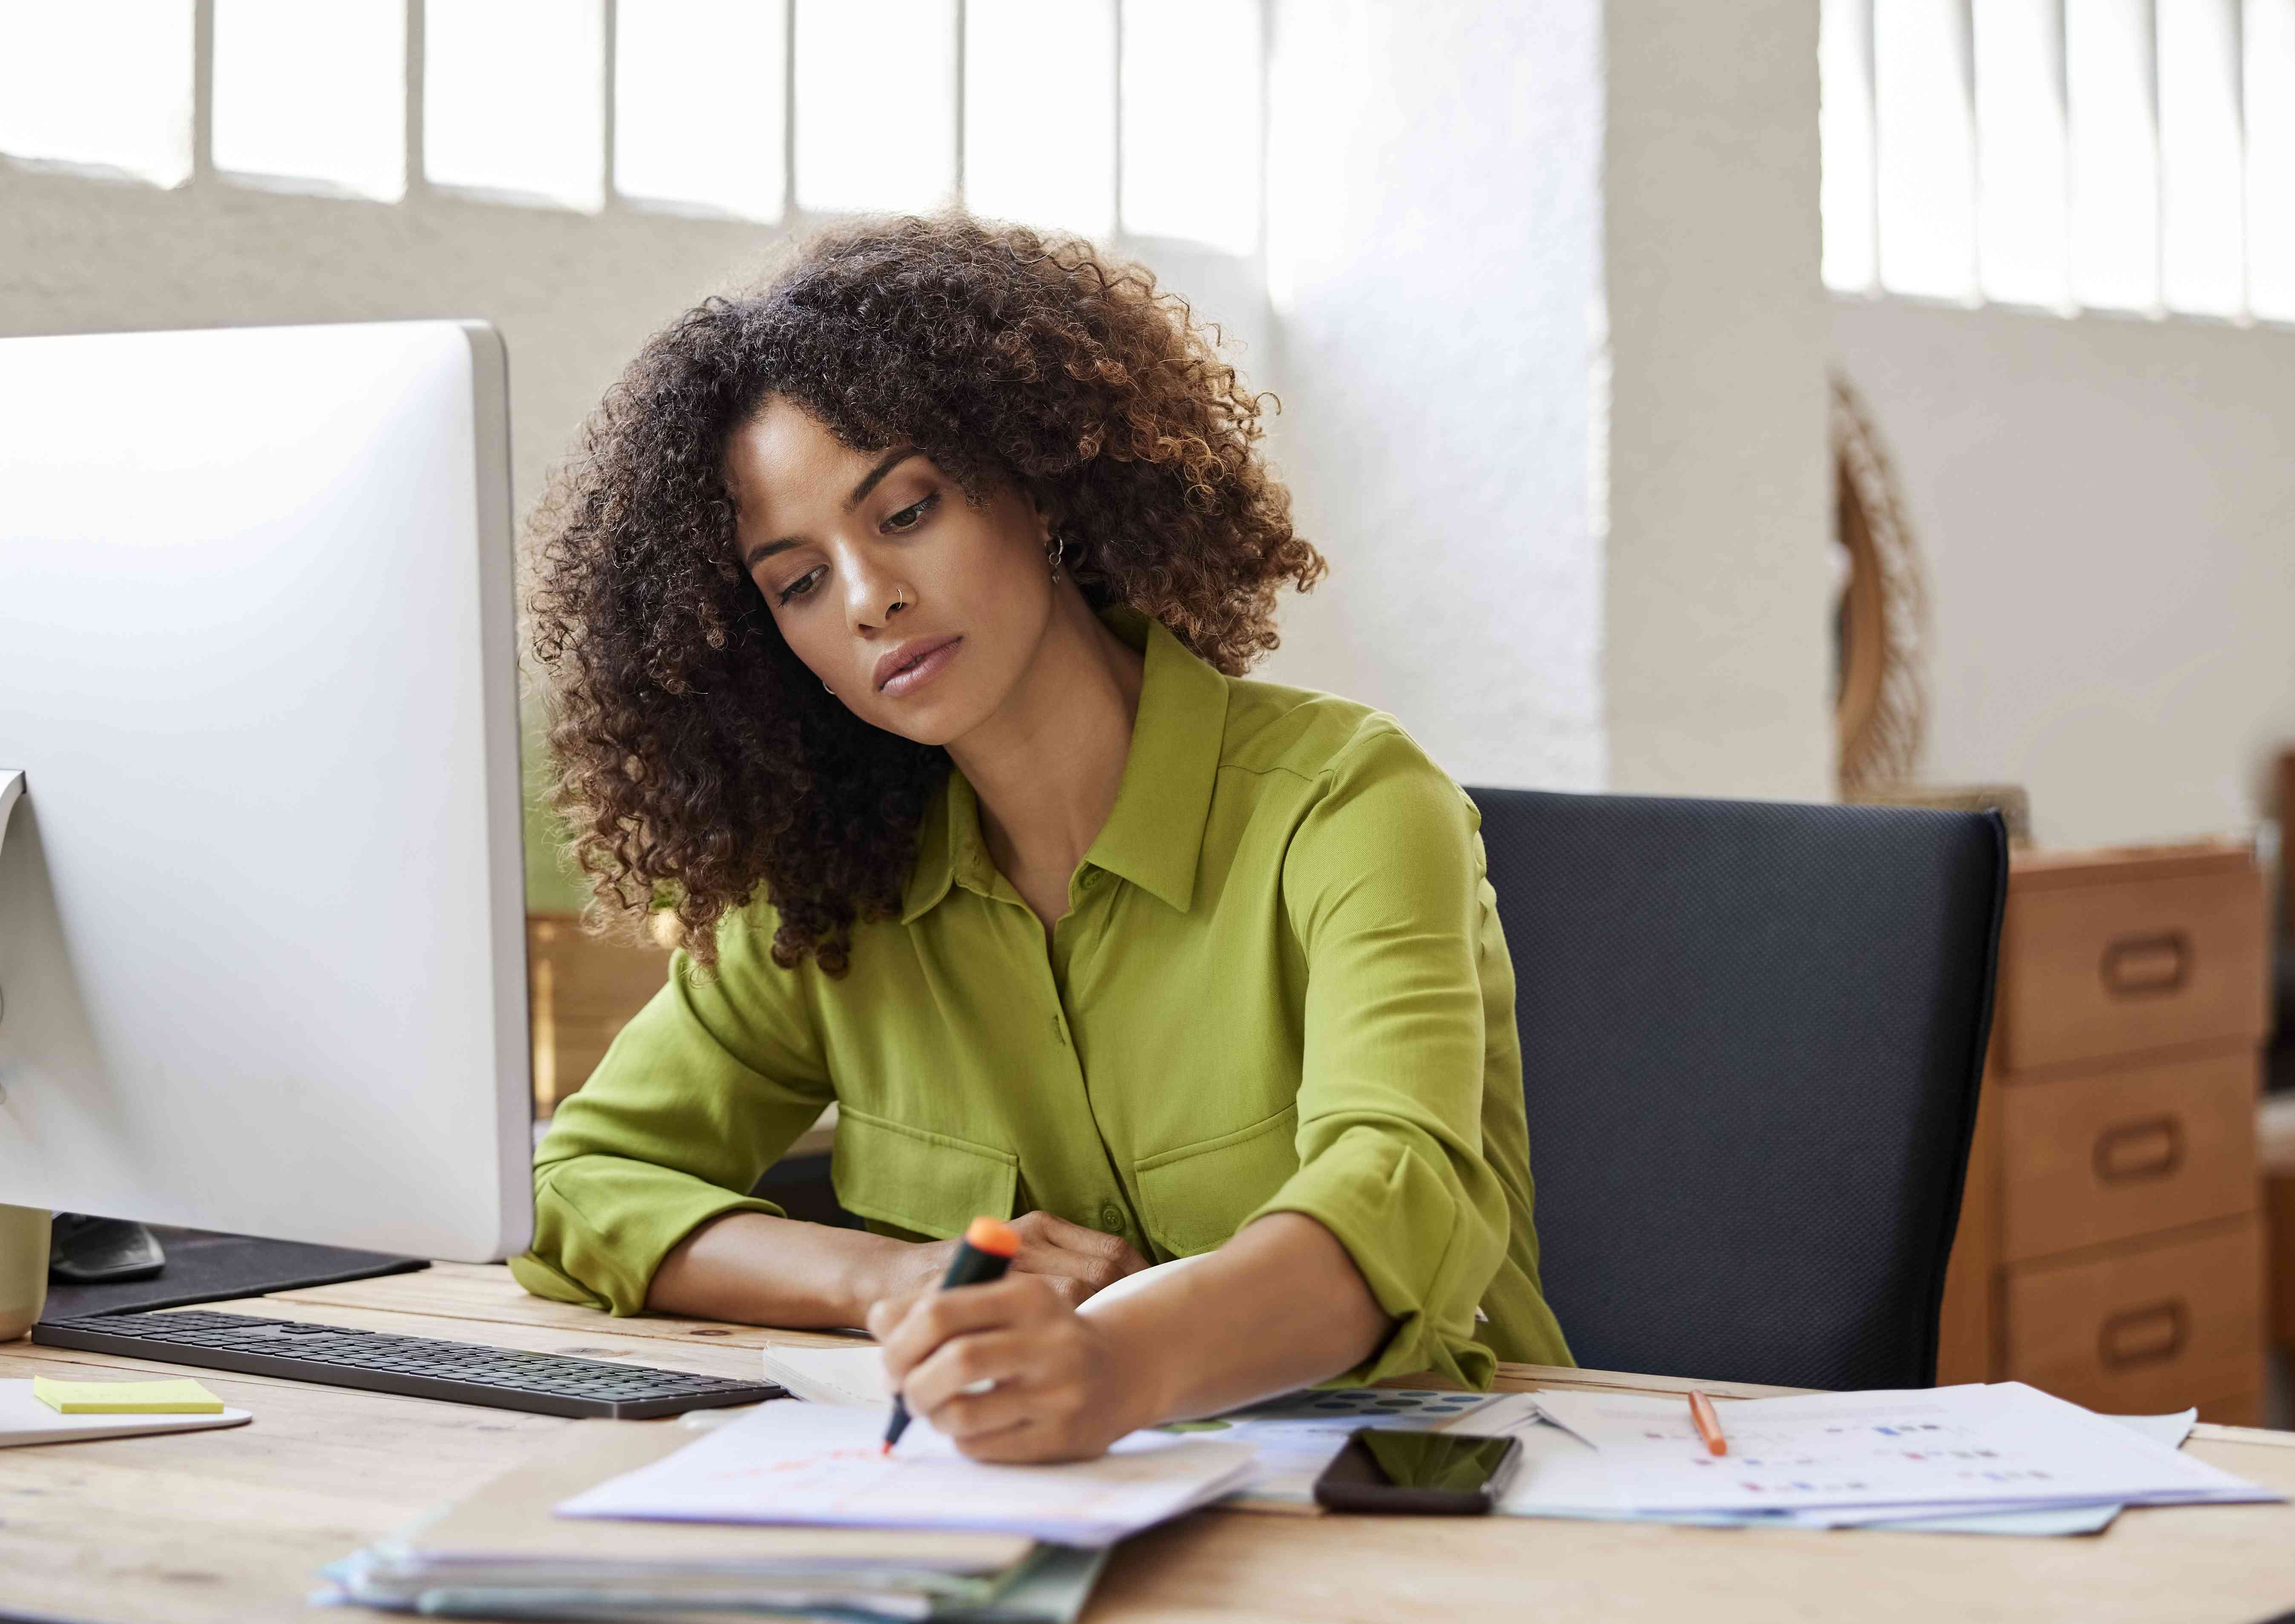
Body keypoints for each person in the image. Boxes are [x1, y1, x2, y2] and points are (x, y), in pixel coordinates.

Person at [515, 215, 1568, 1461]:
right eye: (798, 582)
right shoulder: (828, 890)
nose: (869, 600)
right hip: (1024, 1504)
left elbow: (1400, 1199)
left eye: (906, 511)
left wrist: (1115, 1365)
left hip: (1428, 1491)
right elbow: (580, 1187)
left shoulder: (1347, 804)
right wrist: (889, 1280)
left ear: (1036, 478)